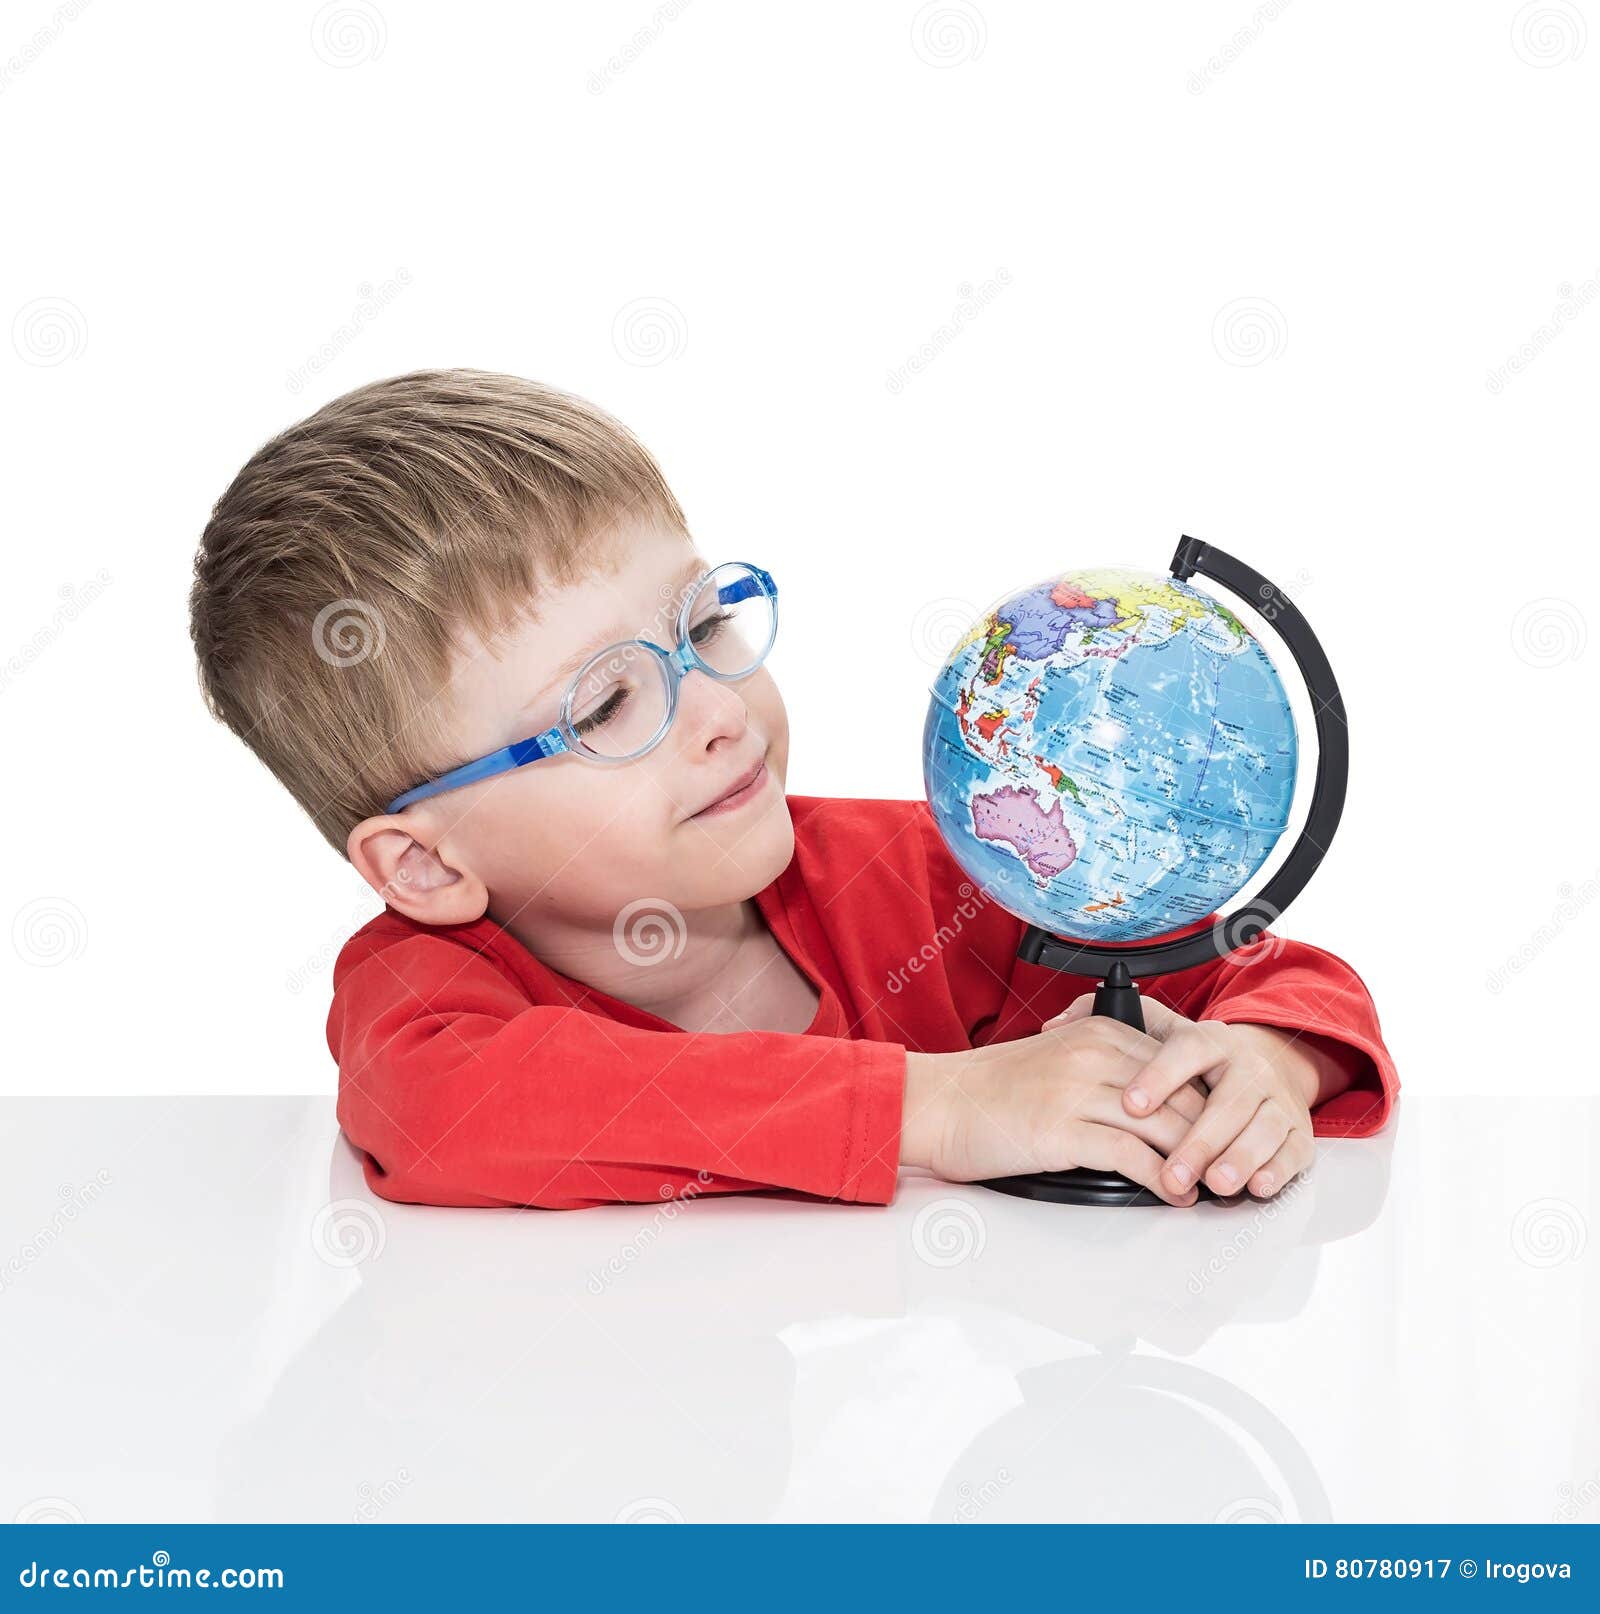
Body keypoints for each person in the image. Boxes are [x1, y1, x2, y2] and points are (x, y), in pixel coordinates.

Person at [188, 369, 1399, 1213]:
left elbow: (1267, 972)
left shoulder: (927, 878)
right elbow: (448, 1113)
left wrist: (1268, 1063)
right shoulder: (427, 998)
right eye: (605, 707)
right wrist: (934, 1108)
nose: (718, 709)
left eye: (704, 623)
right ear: (429, 865)